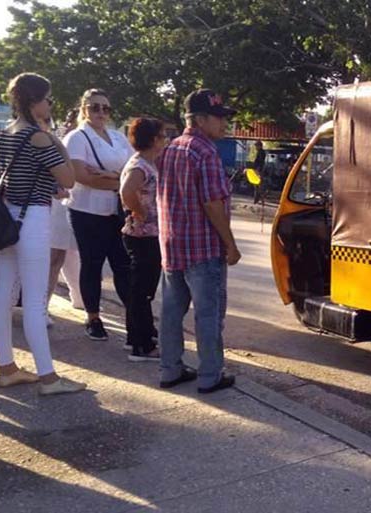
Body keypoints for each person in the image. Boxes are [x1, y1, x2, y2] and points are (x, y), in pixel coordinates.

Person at [0, 72, 85, 395]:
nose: (50, 103)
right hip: (32, 219)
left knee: (4, 293)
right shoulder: (38, 137)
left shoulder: (7, 132)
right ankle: (48, 377)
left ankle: (7, 367)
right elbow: (69, 178)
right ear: (34, 101)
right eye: (47, 98)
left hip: (6, 219)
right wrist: (55, 136)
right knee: (33, 299)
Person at [158, 89, 241, 393]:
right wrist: (230, 244)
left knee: (171, 312)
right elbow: (212, 204)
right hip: (203, 249)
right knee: (208, 315)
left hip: (172, 246)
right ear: (201, 119)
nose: (224, 124)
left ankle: (170, 369)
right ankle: (210, 375)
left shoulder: (171, 148)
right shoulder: (205, 152)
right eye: (219, 118)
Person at [63, 89, 132, 341]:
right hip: (87, 211)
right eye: (94, 107)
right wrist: (119, 180)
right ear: (84, 109)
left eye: (105, 108)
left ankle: (133, 318)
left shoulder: (117, 137)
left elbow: (134, 171)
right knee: (92, 264)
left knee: (123, 265)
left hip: (117, 210)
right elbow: (81, 175)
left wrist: (111, 177)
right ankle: (93, 317)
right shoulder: (77, 138)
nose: (101, 112)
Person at [120, 118, 166, 362]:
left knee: (143, 288)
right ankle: (141, 344)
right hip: (142, 235)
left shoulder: (149, 164)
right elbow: (127, 191)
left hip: (150, 234)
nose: (165, 140)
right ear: (153, 139)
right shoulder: (140, 166)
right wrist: (140, 211)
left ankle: (140, 333)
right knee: (141, 290)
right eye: (162, 135)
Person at [47, 109, 84, 321]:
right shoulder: (57, 142)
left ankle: (79, 297)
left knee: (73, 256)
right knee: (56, 257)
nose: (70, 124)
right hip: (59, 204)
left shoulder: (85, 140)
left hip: (77, 204)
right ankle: (43, 306)